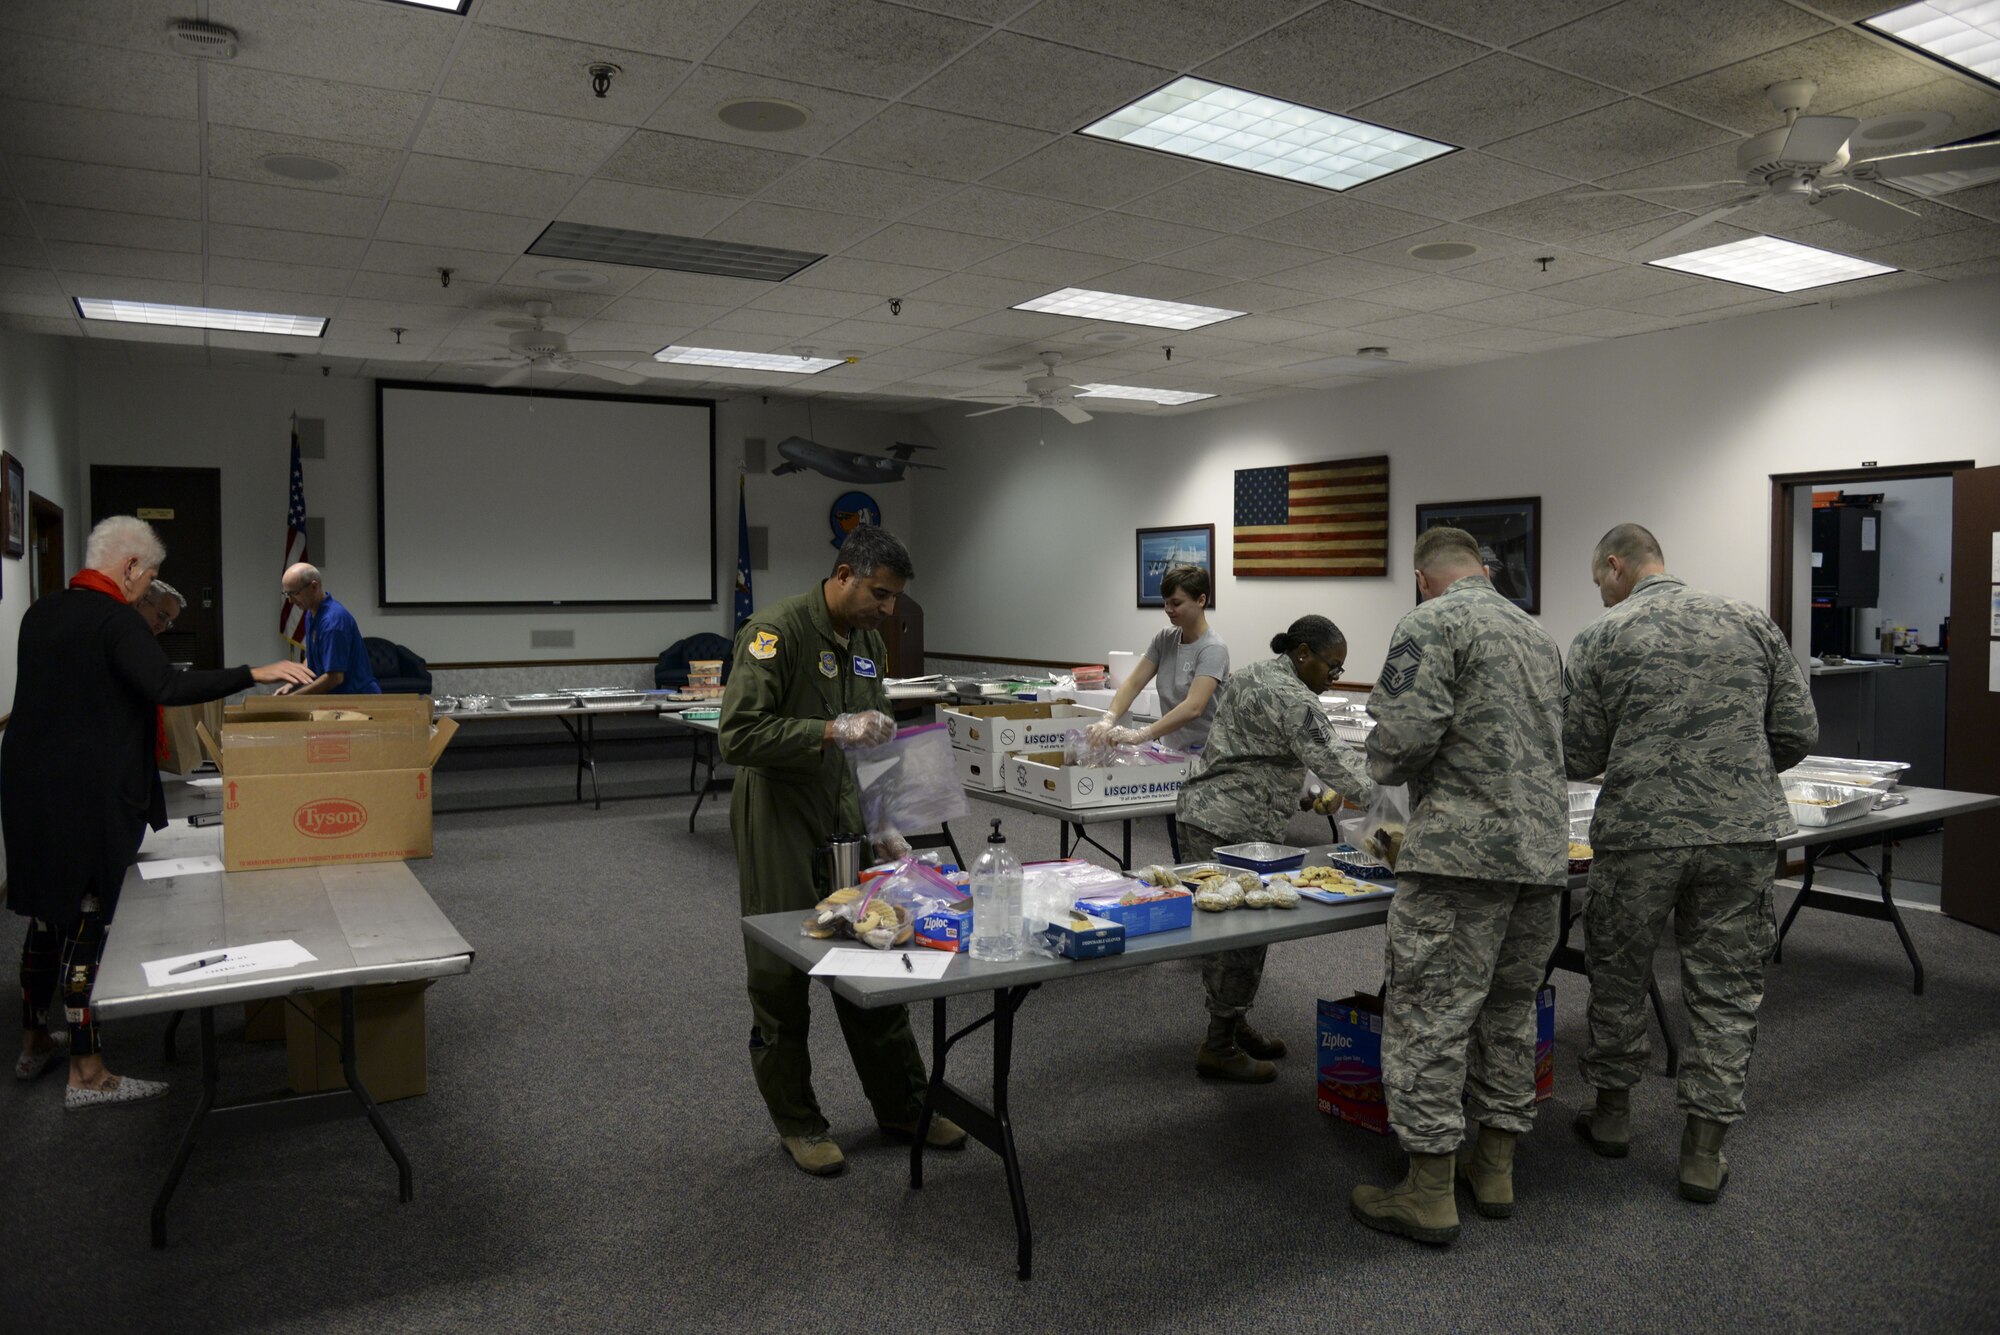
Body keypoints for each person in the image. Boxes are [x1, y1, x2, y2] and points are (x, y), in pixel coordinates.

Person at [7, 517, 315, 1108]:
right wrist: (253, 671)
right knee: (86, 924)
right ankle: (87, 1070)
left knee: (46, 918)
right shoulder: (116, 619)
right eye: (147, 574)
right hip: (84, 795)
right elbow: (164, 689)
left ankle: (33, 1039)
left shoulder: (41, 612)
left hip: (27, 789)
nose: (146, 585)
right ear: (129, 569)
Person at [1564, 524, 1817, 1203]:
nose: (1602, 592)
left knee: (1618, 973)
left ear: (1616, 565)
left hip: (1639, 835)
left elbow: (1579, 754)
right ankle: (1704, 1153)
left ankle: (1613, 1118)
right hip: (1740, 835)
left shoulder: (1600, 637)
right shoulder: (1748, 619)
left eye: (1599, 581)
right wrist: (1733, 772)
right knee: (1726, 988)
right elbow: (1798, 729)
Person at [719, 525, 965, 1177]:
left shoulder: (865, 644)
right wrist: (830, 728)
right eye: (879, 595)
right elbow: (738, 734)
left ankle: (903, 1104)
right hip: (778, 813)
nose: (888, 611)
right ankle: (798, 1121)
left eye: (893, 600)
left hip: (845, 815)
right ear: (844, 573)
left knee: (872, 959)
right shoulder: (776, 632)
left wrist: (886, 821)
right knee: (782, 970)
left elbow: (874, 739)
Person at [1348, 526, 1567, 1245]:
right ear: (1483, 568)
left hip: (1459, 860)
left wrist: (1377, 763)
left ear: (1422, 578)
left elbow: (1402, 737)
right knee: (1509, 1010)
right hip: (1539, 856)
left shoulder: (1429, 622)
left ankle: (1430, 1189)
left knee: (1429, 1014)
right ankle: (1495, 1165)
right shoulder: (1537, 633)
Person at [1177, 615, 1374, 1082]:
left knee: (1222, 934)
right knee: (1244, 936)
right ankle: (1218, 1045)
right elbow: (1340, 764)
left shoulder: (1251, 674)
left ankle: (1232, 1022)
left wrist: (1304, 796)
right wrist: (1399, 801)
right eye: (1332, 667)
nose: (1334, 678)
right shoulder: (1295, 698)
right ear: (1303, 653)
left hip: (1203, 812)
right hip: (1236, 829)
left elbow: (1252, 750)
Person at [1087, 565, 1227, 752]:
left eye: (1176, 603)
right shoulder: (1165, 639)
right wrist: (1109, 718)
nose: (1168, 609)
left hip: (1204, 753)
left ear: (1201, 600)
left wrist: (1142, 734)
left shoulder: (1213, 648)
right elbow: (1133, 683)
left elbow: (1194, 707)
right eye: (1166, 603)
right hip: (1172, 748)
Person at [277, 563, 380, 695]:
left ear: (314, 586)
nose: (290, 601)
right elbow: (311, 658)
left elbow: (335, 678)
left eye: (294, 593)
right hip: (336, 699)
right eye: (287, 594)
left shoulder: (333, 621)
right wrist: (291, 684)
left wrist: (295, 698)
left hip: (358, 700)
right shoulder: (311, 614)